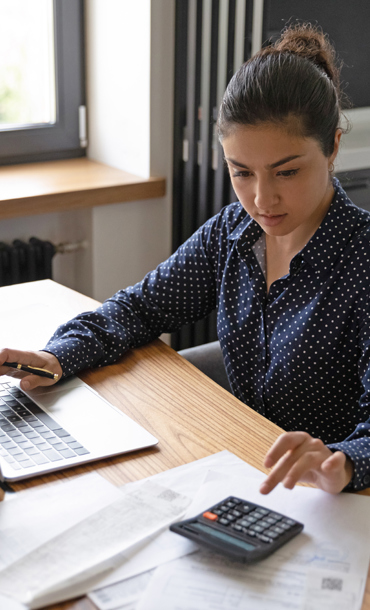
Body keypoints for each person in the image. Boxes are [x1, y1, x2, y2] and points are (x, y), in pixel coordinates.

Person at [1, 23, 370, 496]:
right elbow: (138, 309)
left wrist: (341, 462)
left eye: (288, 171)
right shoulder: (233, 233)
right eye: (241, 172)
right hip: (245, 469)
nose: (262, 199)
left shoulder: (359, 261)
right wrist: (53, 356)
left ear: (333, 146)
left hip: (335, 502)